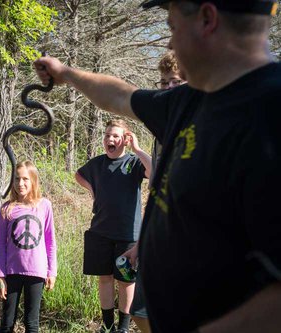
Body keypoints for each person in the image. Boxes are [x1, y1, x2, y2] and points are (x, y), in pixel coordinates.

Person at [34, 1, 281, 332]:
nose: (169, 43)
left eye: (172, 27)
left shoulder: (270, 115)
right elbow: (121, 97)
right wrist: (65, 74)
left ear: (207, 19)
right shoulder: (193, 99)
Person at [128, 51, 186, 333]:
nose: (166, 89)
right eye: (163, 83)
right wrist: (142, 243)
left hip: (188, 239)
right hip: (158, 235)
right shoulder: (162, 130)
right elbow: (157, 188)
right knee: (140, 312)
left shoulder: (200, 121)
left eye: (174, 82)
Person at [75, 119, 151, 333]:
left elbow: (156, 171)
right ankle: (107, 327)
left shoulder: (133, 163)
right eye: (108, 135)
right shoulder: (97, 164)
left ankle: (123, 328)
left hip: (127, 234)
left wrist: (137, 148)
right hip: (100, 231)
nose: (110, 139)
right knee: (105, 279)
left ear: (124, 140)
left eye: (116, 136)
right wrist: (92, 189)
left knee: (126, 280)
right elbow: (78, 175)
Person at [0, 160, 57, 333]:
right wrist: (0, 275)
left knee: (31, 322)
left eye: (25, 179)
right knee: (7, 322)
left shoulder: (44, 205)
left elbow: (50, 240)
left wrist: (52, 271)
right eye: (16, 179)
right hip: (12, 272)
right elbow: (0, 244)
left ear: (33, 181)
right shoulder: (7, 209)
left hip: (37, 272)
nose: (20, 183)